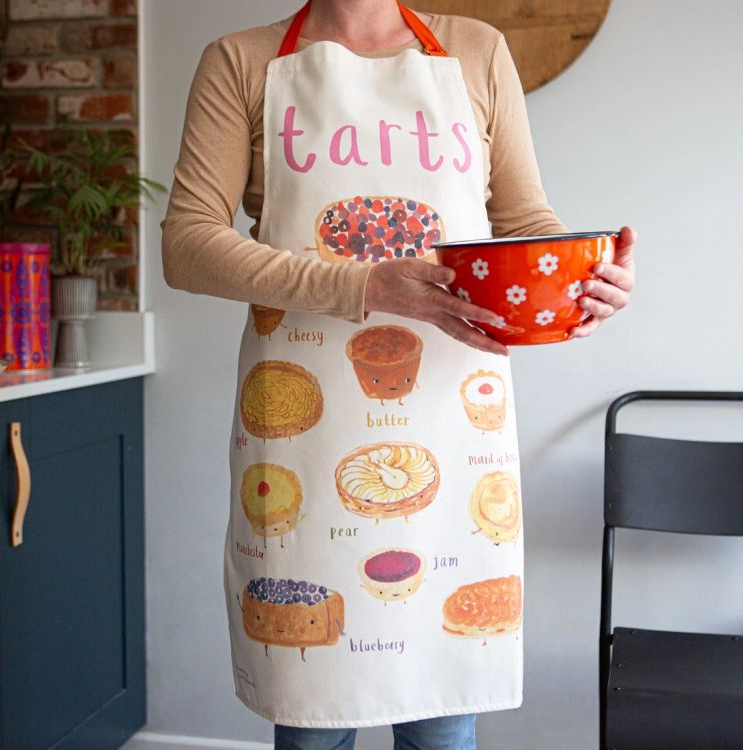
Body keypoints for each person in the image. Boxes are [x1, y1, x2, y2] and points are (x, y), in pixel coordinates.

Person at [160, 2, 636, 748]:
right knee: (315, 719)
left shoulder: (477, 50)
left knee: (442, 718)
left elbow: (526, 223)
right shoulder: (242, 60)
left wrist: (582, 278)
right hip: (302, 434)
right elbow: (187, 244)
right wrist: (362, 285)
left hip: (454, 421)